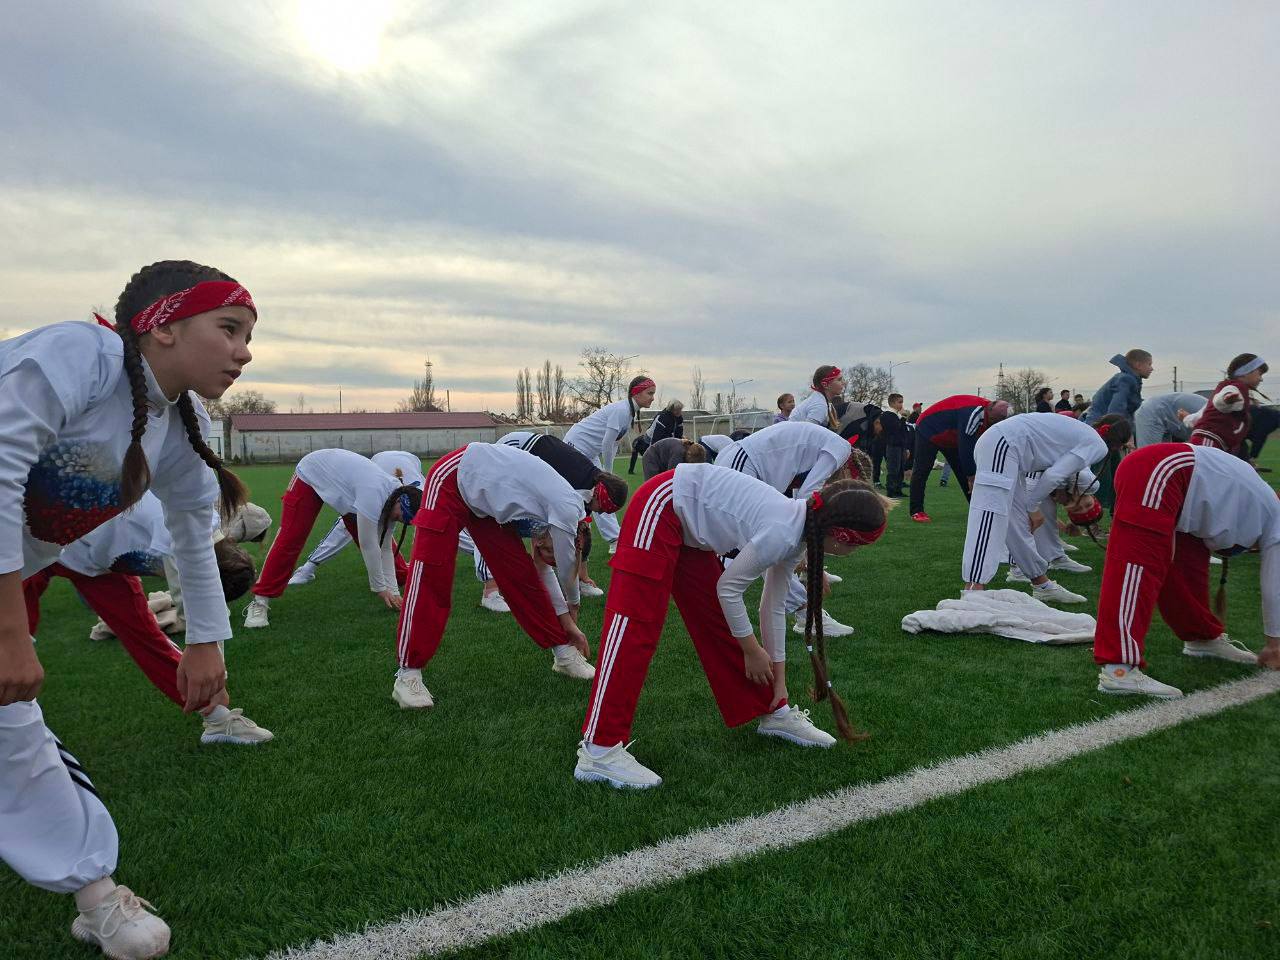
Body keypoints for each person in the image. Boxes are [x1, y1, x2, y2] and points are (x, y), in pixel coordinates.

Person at [1, 259, 255, 959]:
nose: (244, 351)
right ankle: (95, 894)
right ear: (163, 327)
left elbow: (192, 534)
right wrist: (10, 631)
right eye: (228, 328)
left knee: (12, 725)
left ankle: (94, 896)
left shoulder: (179, 422)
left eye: (248, 336)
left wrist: (205, 644)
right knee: (13, 722)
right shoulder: (80, 355)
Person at [573, 467, 892, 789]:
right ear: (841, 536)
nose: (854, 553)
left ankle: (773, 709)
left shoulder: (798, 530)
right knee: (635, 625)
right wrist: (751, 649)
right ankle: (599, 749)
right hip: (661, 505)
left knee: (722, 622)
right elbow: (729, 589)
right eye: (858, 546)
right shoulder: (783, 532)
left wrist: (779, 685)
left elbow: (773, 607)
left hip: (688, 523)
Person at [22, 493, 271, 746]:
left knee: (146, 636)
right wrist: (215, 677)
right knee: (14, 641)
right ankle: (13, 712)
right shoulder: (181, 536)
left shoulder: (202, 527)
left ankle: (217, 720)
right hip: (37, 538)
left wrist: (216, 679)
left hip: (96, 564)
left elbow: (207, 613)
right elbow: (198, 616)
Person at [391, 442, 621, 708]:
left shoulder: (553, 519)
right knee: (431, 570)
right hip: (454, 476)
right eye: (551, 552)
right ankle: (407, 674)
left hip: (487, 501)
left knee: (521, 574)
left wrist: (567, 627)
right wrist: (573, 607)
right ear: (565, 538)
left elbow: (542, 570)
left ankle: (563, 653)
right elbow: (567, 570)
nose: (544, 553)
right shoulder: (566, 510)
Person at [1092, 442, 1280, 698]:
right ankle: (1118, 668)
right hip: (1162, 470)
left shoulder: (1262, 502)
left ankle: (1202, 637)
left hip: (1179, 488)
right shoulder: (1273, 516)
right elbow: (1275, 585)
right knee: (1136, 565)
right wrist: (1275, 645)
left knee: (1186, 569)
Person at [242, 448, 422, 629]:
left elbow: (384, 547)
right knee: (291, 538)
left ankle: (399, 585)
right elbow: (369, 545)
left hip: (346, 492)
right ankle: (260, 601)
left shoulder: (394, 500)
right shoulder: (374, 493)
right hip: (312, 473)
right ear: (399, 502)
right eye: (399, 516)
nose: (397, 520)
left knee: (385, 548)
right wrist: (380, 588)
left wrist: (393, 591)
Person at [961, 413, 1132, 602]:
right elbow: (1053, 476)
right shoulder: (1097, 445)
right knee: (989, 514)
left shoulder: (1086, 435)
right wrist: (1033, 507)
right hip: (1004, 445)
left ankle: (1041, 584)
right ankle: (973, 589)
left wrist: (1034, 508)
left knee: (1016, 523)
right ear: (1118, 444)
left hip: (1006, 447)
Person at [286, 450, 424, 589]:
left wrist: (416, 562)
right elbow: (353, 532)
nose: (399, 521)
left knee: (382, 533)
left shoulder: (421, 497)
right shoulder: (375, 490)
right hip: (377, 468)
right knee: (355, 524)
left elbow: (419, 530)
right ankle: (308, 567)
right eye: (400, 518)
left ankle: (406, 571)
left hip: (405, 463)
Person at [565, 375, 656, 553]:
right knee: (595, 493)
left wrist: (609, 473)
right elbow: (607, 443)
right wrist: (607, 474)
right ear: (636, 393)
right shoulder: (622, 410)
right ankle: (607, 539)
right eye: (650, 393)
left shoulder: (628, 413)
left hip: (589, 452)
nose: (652, 398)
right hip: (576, 447)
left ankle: (615, 539)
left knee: (602, 493)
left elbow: (613, 444)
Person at [908, 395, 1012, 522]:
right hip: (928, 428)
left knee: (964, 472)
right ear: (990, 416)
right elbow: (966, 447)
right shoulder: (973, 415)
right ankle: (916, 511)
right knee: (922, 470)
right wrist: (971, 475)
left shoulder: (991, 413)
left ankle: (978, 508)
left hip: (951, 435)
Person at [1186, 354, 1267, 454]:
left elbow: (1204, 413)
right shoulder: (1235, 388)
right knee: (1208, 464)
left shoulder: (1230, 388)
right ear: (1245, 373)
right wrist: (1226, 400)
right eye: (1260, 374)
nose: (1261, 379)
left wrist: (1188, 419)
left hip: (1210, 440)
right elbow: (1219, 401)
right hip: (1210, 441)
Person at [1086, 349, 1153, 426]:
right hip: (1100, 427)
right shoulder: (1126, 380)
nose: (1152, 369)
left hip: (1097, 423)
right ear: (1138, 365)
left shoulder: (1128, 379)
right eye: (1149, 364)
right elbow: (1116, 411)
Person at [1133, 392, 1207, 447]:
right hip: (1151, 412)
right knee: (1149, 456)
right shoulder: (1211, 416)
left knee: (1164, 457)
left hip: (1163, 414)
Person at [875, 394, 909, 497]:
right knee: (893, 469)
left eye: (902, 402)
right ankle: (891, 491)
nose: (902, 405)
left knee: (900, 469)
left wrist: (906, 447)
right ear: (893, 403)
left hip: (900, 445)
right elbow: (895, 429)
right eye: (899, 402)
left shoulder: (897, 415)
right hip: (892, 445)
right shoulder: (887, 415)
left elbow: (903, 431)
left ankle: (898, 490)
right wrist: (903, 418)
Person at [642, 436, 707, 480]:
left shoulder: (687, 449)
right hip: (651, 458)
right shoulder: (679, 452)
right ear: (689, 455)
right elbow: (671, 476)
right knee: (653, 486)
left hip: (662, 461)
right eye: (693, 462)